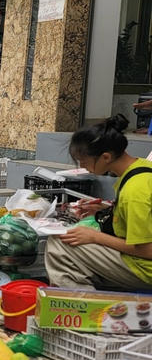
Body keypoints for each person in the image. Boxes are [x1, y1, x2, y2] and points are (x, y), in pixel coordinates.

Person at [45, 115, 152, 291]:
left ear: (106, 157)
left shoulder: (135, 191)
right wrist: (106, 209)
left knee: (59, 244)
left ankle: (82, 308)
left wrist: (95, 237)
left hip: (144, 269)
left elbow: (147, 250)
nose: (83, 167)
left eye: (85, 162)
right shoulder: (140, 168)